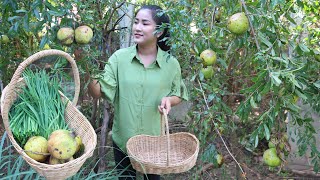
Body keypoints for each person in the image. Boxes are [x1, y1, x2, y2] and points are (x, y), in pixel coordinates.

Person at [88, 4, 188, 180]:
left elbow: (178, 94)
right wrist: (89, 72)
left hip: (154, 142)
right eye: (136, 22)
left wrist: (169, 100)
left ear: (159, 32)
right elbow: (97, 93)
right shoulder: (119, 58)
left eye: (145, 23)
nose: (137, 28)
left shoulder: (171, 64)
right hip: (123, 140)